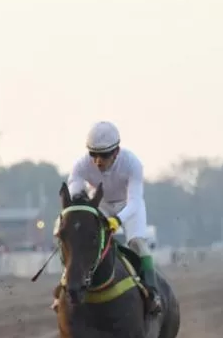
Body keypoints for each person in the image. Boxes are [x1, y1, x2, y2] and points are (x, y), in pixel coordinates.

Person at [52, 120, 163, 315]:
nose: (97, 161)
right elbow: (75, 196)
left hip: (128, 206)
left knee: (138, 243)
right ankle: (62, 289)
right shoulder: (80, 165)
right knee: (79, 241)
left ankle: (152, 294)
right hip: (100, 205)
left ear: (116, 152)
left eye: (103, 155)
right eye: (92, 154)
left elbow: (135, 202)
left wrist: (118, 220)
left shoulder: (133, 164)